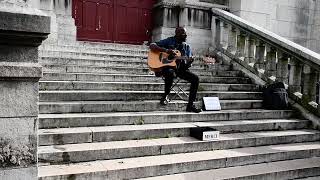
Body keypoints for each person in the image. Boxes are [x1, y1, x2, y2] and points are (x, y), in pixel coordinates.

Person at [149, 27, 201, 113]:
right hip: (167, 68)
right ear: (177, 34)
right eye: (184, 34)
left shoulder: (187, 47)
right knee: (170, 72)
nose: (186, 35)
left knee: (196, 79)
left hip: (180, 70)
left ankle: (190, 106)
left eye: (186, 34)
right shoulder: (169, 41)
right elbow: (152, 46)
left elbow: (187, 65)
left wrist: (189, 62)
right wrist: (166, 50)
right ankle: (166, 95)